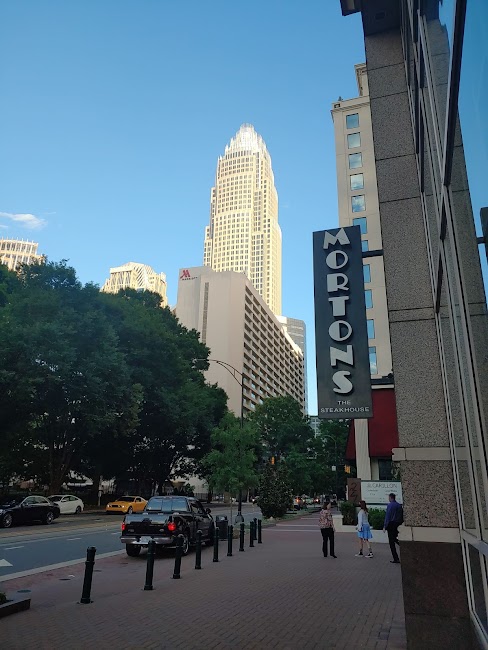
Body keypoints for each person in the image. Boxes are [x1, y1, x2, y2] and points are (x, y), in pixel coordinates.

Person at [383, 493, 403, 564]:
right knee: (395, 538)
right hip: (397, 524)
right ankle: (402, 545)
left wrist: (385, 526)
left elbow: (388, 516)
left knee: (391, 542)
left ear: (390, 497)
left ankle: (395, 558)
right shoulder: (399, 505)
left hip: (391, 524)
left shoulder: (390, 505)